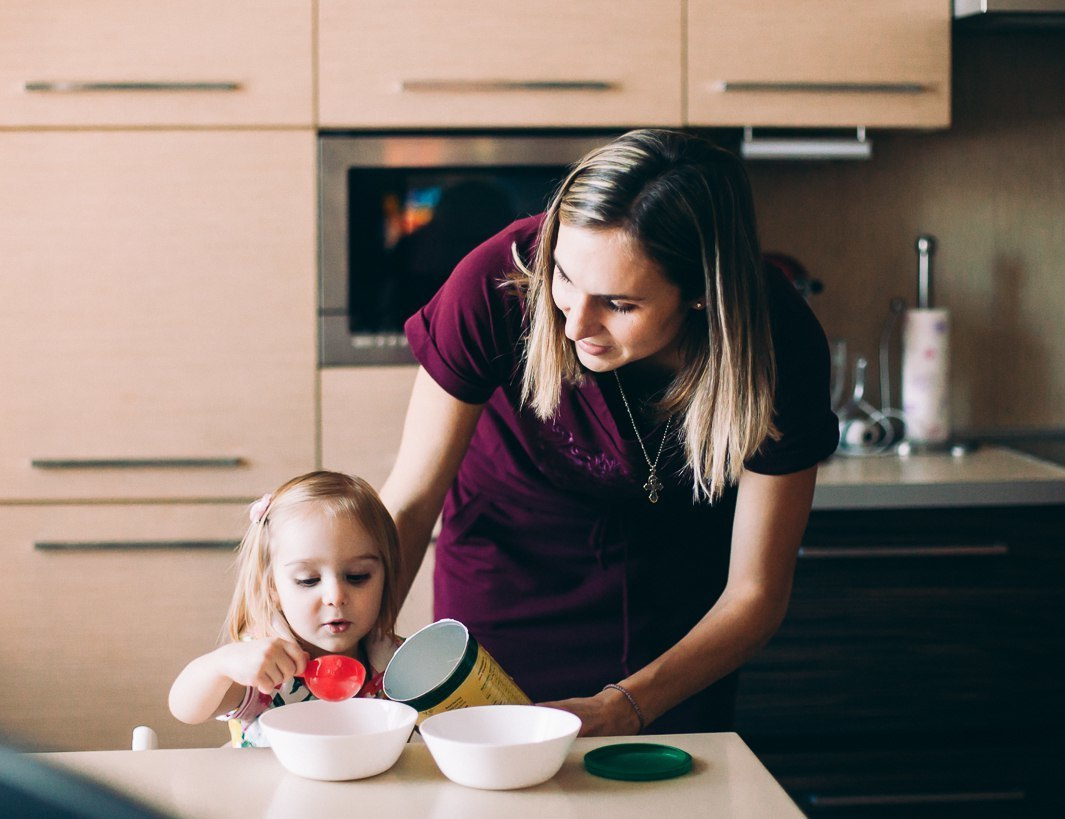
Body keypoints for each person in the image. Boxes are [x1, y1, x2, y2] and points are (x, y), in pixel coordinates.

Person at [380, 129, 839, 737]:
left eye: (619, 304)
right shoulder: (497, 280)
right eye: (564, 277)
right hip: (506, 580)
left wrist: (626, 705)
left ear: (701, 292)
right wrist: (353, 651)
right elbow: (410, 503)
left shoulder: (777, 346)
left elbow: (756, 590)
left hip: (683, 620)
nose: (573, 324)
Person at [168, 471, 405, 747]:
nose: (336, 596)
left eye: (357, 576)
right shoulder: (262, 665)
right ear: (273, 589)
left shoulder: (396, 663)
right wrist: (221, 665)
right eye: (309, 580)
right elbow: (184, 709)